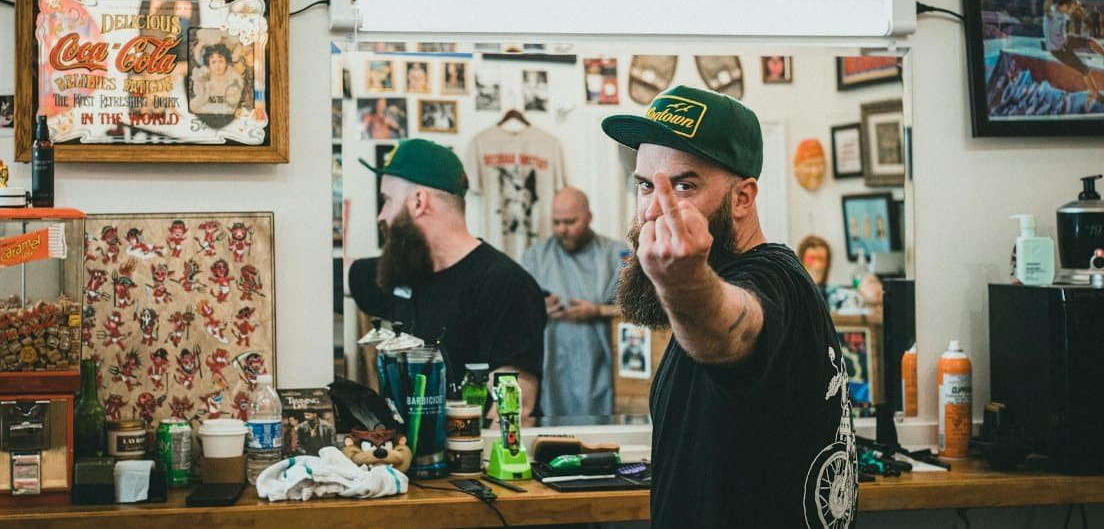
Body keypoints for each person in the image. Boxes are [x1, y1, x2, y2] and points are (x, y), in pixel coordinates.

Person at [601, 85, 857, 529]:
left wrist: (684, 285)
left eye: (683, 185)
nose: (655, 211)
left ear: (743, 197)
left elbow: (732, 333)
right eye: (646, 185)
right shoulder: (726, 281)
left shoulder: (775, 281)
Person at [347, 139, 547, 417]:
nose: (382, 215)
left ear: (418, 202)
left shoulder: (506, 285)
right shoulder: (403, 273)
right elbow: (336, 273)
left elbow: (513, 411)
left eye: (386, 201)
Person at [521, 187, 627, 417]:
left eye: (570, 222)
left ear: (589, 217)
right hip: (553, 364)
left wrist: (598, 311)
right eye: (556, 222)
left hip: (601, 363)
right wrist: (538, 309)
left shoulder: (617, 254)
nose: (562, 230)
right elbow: (515, 313)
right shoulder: (535, 256)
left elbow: (638, 312)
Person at [1044, 0, 1104, 105]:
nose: (1071, 12)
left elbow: (1075, 3)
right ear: (1065, 5)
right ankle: (1096, 94)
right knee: (1084, 69)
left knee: (1091, 41)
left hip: (1067, 40)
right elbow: (1046, 6)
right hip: (1058, 50)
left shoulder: (1064, 12)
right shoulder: (1051, 13)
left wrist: (1078, 7)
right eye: (1071, 8)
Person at [188, 43, 245, 123]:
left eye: (221, 61)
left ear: (226, 62)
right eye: (213, 62)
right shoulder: (203, 78)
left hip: (227, 114)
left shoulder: (233, 77)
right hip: (205, 114)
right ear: (208, 64)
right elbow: (195, 104)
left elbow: (234, 102)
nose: (217, 65)